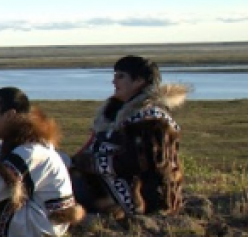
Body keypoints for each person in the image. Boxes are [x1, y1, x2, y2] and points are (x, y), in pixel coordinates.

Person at [70, 55, 188, 217]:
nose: (114, 82)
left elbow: (143, 165)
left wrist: (91, 163)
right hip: (117, 191)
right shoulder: (119, 114)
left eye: (120, 76)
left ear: (139, 81)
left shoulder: (151, 119)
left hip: (142, 201)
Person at [0, 87, 83, 237]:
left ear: (10, 115)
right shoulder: (31, 147)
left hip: (39, 227)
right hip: (47, 222)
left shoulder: (30, 152)